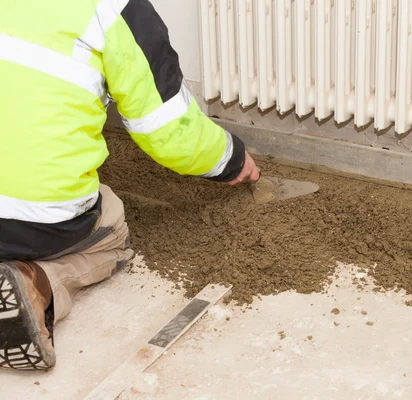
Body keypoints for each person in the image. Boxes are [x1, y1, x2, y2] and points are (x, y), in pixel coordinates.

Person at [0, 0, 260, 371]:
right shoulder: (115, 9)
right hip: (38, 223)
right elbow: (170, 131)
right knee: (111, 226)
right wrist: (232, 159)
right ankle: (36, 283)